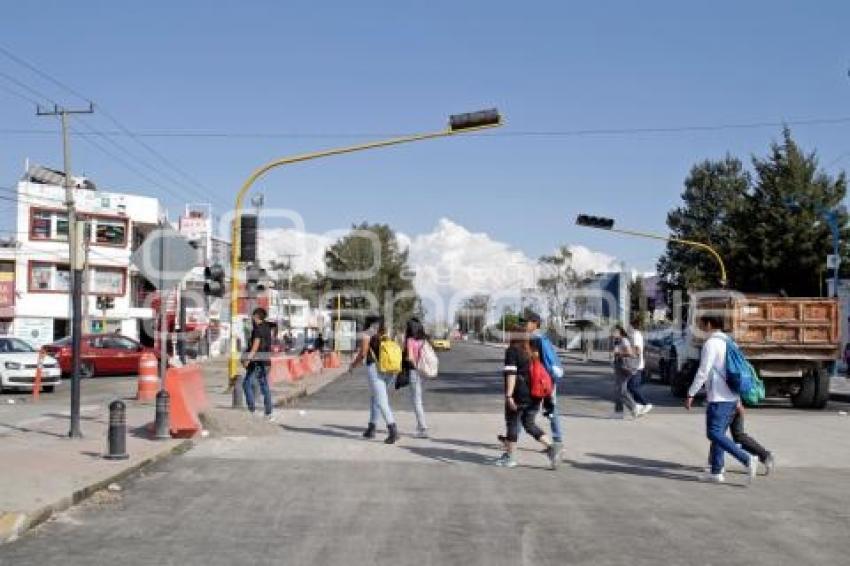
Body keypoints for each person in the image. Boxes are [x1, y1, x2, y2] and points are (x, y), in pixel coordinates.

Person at [686, 315, 758, 484]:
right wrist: (738, 399)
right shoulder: (730, 342)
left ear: (710, 324)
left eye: (702, 324)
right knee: (719, 434)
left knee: (714, 433)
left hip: (719, 397)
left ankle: (747, 459)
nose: (701, 328)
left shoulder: (711, 344)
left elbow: (703, 371)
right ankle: (716, 472)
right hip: (732, 397)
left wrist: (691, 393)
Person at [494, 325, 558, 469]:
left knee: (512, 423)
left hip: (519, 394)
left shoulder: (512, 351)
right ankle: (552, 447)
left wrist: (509, 395)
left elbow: (511, 374)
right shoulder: (531, 351)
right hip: (535, 394)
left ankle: (509, 458)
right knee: (529, 424)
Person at [349, 315, 399, 444]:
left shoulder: (367, 334)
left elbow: (363, 353)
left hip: (375, 369)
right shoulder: (386, 333)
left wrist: (353, 365)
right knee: (375, 397)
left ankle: (392, 430)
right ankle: (371, 427)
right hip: (390, 370)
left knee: (381, 400)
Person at [523, 312, 565, 456]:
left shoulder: (535, 338)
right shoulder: (543, 337)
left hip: (542, 381)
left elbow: (535, 359)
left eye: (527, 322)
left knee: (546, 410)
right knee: (550, 410)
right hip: (547, 379)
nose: (525, 324)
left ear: (535, 323)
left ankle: (557, 442)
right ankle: (556, 441)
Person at [242, 307, 275, 421]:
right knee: (264, 386)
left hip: (258, 362)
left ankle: (252, 410)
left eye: (253, 316)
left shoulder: (258, 329)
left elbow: (255, 346)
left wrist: (248, 359)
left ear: (256, 316)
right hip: (267, 361)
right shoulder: (267, 327)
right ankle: (268, 413)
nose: (251, 318)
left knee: (246, 384)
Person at [402, 318, 429, 438]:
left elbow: (411, 358)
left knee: (416, 401)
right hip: (422, 372)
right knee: (418, 399)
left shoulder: (410, 340)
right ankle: (420, 426)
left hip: (414, 372)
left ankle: (423, 428)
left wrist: (406, 358)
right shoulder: (423, 340)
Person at [611, 325, 641, 419]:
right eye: (613, 332)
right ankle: (618, 412)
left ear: (620, 332)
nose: (613, 333)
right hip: (619, 366)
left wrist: (619, 354)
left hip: (624, 367)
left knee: (621, 390)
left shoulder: (624, 340)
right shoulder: (617, 341)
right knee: (618, 389)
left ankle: (634, 407)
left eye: (615, 332)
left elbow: (630, 353)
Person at [627, 317, 653, 416]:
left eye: (629, 325)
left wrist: (627, 353)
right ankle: (638, 407)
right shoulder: (637, 334)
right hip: (637, 364)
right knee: (634, 387)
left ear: (632, 325)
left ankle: (645, 403)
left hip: (636, 365)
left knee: (631, 387)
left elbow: (637, 350)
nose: (628, 327)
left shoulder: (635, 335)